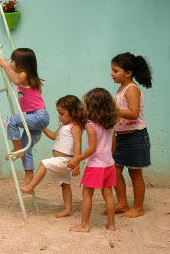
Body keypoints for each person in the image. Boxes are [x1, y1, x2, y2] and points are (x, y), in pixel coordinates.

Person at [20, 95, 86, 218]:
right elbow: (53, 136)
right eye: (59, 114)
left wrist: (76, 162)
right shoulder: (63, 126)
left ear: (73, 112)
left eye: (62, 114)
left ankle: (31, 186)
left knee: (44, 163)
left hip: (66, 161)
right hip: (60, 160)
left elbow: (78, 146)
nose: (59, 117)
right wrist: (42, 127)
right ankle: (68, 209)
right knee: (65, 185)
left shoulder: (75, 127)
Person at [67, 88, 119, 232]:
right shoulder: (111, 124)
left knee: (87, 194)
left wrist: (77, 159)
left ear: (92, 107)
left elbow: (92, 149)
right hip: (109, 164)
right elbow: (113, 145)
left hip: (95, 166)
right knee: (108, 193)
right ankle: (111, 224)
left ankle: (84, 225)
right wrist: (108, 158)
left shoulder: (91, 126)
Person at [0, 48, 49, 185]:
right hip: (36, 116)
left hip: (39, 116)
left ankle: (16, 149)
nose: (10, 62)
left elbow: (15, 80)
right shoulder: (29, 76)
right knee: (26, 148)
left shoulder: (24, 75)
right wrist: (8, 67)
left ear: (21, 64)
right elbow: (13, 77)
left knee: (11, 120)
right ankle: (28, 180)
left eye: (12, 60)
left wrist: (5, 65)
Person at [111, 52, 153, 218]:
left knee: (135, 173)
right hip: (121, 137)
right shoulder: (121, 88)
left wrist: (112, 110)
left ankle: (138, 207)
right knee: (114, 170)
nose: (111, 73)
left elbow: (134, 113)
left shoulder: (132, 89)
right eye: (112, 70)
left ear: (128, 73)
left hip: (136, 137)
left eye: (115, 70)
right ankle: (122, 203)